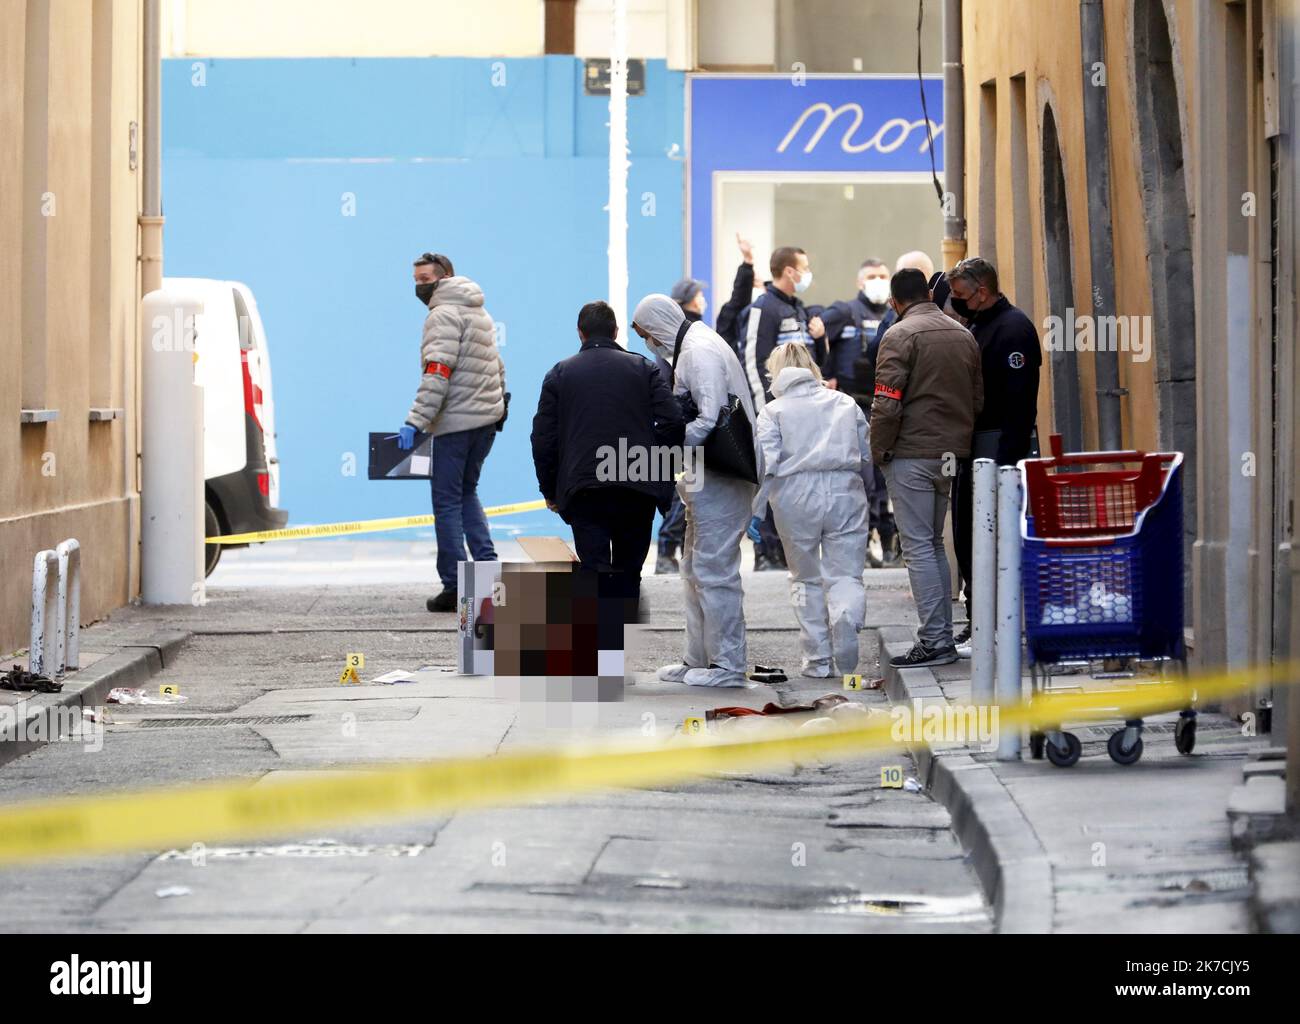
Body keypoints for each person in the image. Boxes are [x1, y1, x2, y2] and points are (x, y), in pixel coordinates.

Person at [632, 294, 761, 688]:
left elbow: (710, 417)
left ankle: (727, 667)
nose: (648, 343)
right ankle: (699, 658)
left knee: (713, 570)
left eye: (646, 335)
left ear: (657, 327)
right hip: (707, 477)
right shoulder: (693, 345)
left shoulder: (698, 351)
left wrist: (665, 448)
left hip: (721, 478)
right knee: (693, 568)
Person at [531, 301, 684, 615]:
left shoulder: (559, 373)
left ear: (580, 333)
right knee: (629, 573)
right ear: (616, 332)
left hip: (585, 488)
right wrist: (659, 475)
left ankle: (602, 656)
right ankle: (621, 649)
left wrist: (550, 490)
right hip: (637, 487)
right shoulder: (645, 368)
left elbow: (543, 439)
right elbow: (673, 422)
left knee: (595, 570)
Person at [871, 268, 982, 668]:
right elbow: (977, 397)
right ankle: (940, 637)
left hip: (912, 453)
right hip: (953, 454)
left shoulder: (899, 335)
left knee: (919, 548)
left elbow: (886, 402)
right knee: (934, 544)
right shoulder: (963, 333)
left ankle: (935, 640)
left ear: (896, 301)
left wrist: (879, 451)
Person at [750, 343, 873, 678]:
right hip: (844, 488)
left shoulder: (774, 411)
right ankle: (845, 615)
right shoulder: (844, 403)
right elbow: (865, 455)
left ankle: (817, 659)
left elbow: (767, 465)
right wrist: (870, 493)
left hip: (794, 495)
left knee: (804, 578)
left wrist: (756, 511)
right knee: (846, 574)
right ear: (811, 367)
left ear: (776, 372)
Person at [398, 255, 506, 613]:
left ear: (443, 278)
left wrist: (415, 420)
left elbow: (437, 372)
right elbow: (497, 367)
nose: (419, 285)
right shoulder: (479, 312)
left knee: (445, 501)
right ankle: (488, 571)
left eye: (425, 278)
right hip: (485, 422)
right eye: (415, 279)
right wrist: (498, 410)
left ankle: (454, 584)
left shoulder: (441, 315)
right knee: (467, 493)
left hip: (455, 425)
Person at [946, 257, 1042, 653]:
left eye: (961, 295)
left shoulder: (1013, 329)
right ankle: (979, 621)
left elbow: (1020, 403)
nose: (957, 303)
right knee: (971, 540)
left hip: (998, 449)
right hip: (977, 449)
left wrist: (1006, 463)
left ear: (981, 292)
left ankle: (995, 625)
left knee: (993, 540)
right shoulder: (980, 324)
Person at [734, 246, 825, 571]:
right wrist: (765, 410)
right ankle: (765, 552)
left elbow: (810, 363)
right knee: (769, 477)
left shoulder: (798, 310)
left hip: (805, 416)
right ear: (789, 271)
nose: (807, 273)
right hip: (774, 413)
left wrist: (821, 339)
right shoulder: (764, 308)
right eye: (804, 267)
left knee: (794, 483)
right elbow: (752, 361)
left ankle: (788, 550)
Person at [651, 278, 708, 574]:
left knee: (685, 491)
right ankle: (666, 550)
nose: (703, 299)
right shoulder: (686, 335)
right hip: (685, 424)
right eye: (699, 294)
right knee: (684, 490)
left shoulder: (684, 333)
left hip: (682, 422)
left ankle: (672, 549)